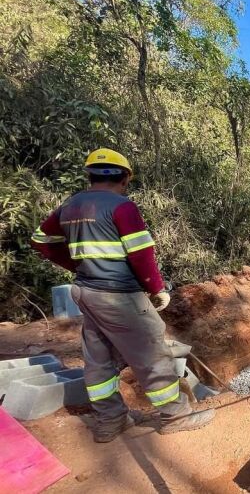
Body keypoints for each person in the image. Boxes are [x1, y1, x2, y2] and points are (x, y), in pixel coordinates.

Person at [31, 148, 214, 442]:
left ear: (88, 175)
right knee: (151, 354)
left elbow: (40, 240)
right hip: (118, 294)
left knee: (98, 357)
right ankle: (176, 415)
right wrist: (156, 289)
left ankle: (110, 421)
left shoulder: (71, 206)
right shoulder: (122, 207)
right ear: (126, 178)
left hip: (86, 291)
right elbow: (141, 254)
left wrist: (75, 264)